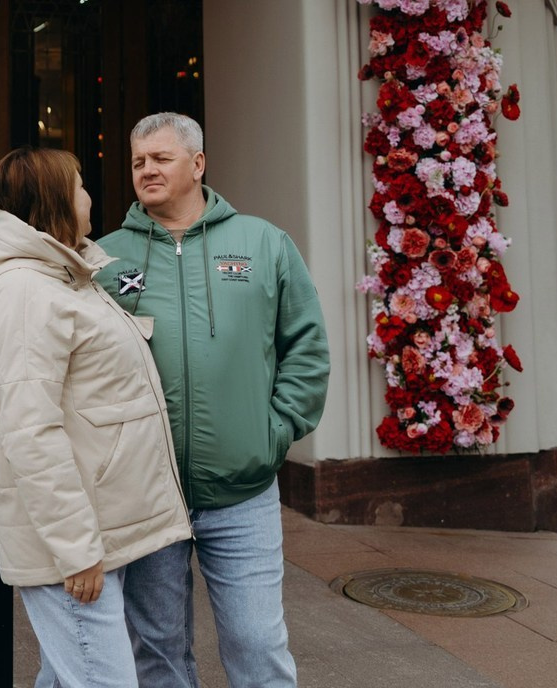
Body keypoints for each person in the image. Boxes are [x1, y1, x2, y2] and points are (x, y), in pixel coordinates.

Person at [97, 112, 330, 688]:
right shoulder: (104, 258)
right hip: (147, 495)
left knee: (257, 644)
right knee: (158, 653)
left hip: (242, 492)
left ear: (198, 163)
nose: (147, 170)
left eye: (161, 158)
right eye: (138, 161)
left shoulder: (263, 243)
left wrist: (274, 431)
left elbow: (305, 346)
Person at [0, 147, 193, 688]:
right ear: (54, 200)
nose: (90, 197)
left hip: (100, 526)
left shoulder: (64, 275)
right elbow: (29, 432)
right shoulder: (26, 291)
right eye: (80, 186)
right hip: (74, 546)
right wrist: (76, 552)